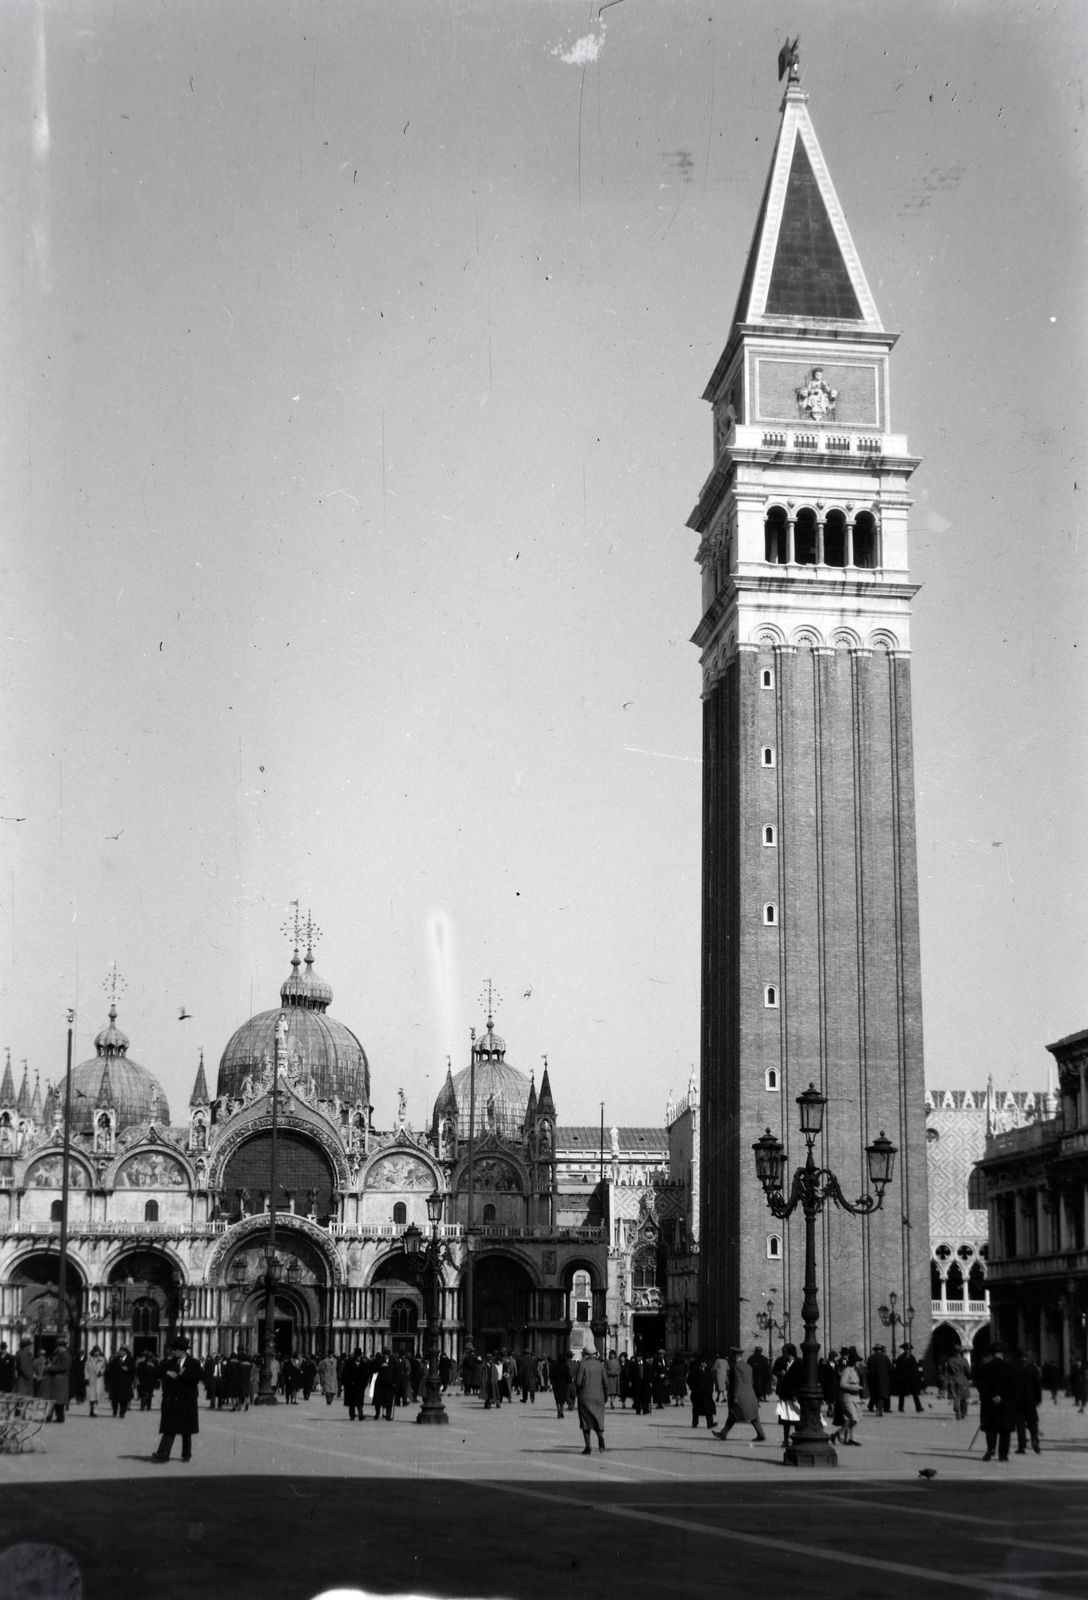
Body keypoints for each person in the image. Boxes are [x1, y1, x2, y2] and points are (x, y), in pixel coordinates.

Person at [151, 1334, 203, 1463]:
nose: (172, 1351)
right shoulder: (169, 1361)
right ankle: (164, 1453)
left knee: (187, 1430)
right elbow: (157, 1371)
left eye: (175, 1349)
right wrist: (167, 1372)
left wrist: (181, 1374)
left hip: (187, 1400)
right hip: (172, 1398)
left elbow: (200, 1376)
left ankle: (186, 1454)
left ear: (181, 1350)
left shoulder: (194, 1363)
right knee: (170, 1427)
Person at [714, 1348, 766, 1443]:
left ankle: (723, 1433)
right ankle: (761, 1434)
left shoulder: (736, 1366)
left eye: (731, 1355)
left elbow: (738, 1382)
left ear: (734, 1356)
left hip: (740, 1394)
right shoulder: (747, 1366)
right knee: (753, 1415)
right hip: (750, 1393)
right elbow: (751, 1381)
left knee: (734, 1413)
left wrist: (735, 1396)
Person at [976, 1342, 1016, 1462]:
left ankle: (991, 1448)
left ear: (992, 1354)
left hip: (989, 1402)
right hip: (1005, 1403)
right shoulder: (1010, 1367)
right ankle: (1003, 1455)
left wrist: (991, 1396)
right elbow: (1013, 1386)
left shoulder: (984, 1367)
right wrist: (1002, 1396)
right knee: (1005, 1430)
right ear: (1002, 1354)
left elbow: (980, 1385)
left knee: (990, 1428)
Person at [574, 1346, 607, 1454]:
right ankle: (600, 1438)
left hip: (585, 1396)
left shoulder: (583, 1363)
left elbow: (578, 1382)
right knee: (598, 1420)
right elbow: (606, 1383)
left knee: (585, 1421)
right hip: (599, 1397)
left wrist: (578, 1390)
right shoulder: (600, 1365)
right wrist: (605, 1396)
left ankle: (588, 1446)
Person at [1011, 1348, 1043, 1455]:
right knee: (1032, 1421)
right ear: (1025, 1356)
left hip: (1017, 1400)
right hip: (1030, 1399)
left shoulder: (1012, 1366)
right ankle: (1034, 1440)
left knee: (1020, 1423)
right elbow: (1037, 1385)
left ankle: (1021, 1446)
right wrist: (1038, 1399)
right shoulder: (1032, 1367)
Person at [774, 1343, 802, 1449]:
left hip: (794, 1395)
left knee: (796, 1419)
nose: (782, 1354)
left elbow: (801, 1379)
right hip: (785, 1395)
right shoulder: (783, 1362)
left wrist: (797, 1394)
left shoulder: (799, 1363)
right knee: (785, 1419)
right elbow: (775, 1371)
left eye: (784, 1352)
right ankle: (785, 1440)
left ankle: (796, 1439)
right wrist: (780, 1374)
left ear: (790, 1353)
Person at [837, 1346, 864, 1446]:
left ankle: (852, 1438)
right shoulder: (846, 1370)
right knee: (853, 1418)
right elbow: (842, 1384)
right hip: (846, 1397)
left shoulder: (855, 1371)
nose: (859, 1363)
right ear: (853, 1361)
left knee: (855, 1418)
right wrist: (854, 1388)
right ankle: (839, 1432)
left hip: (855, 1398)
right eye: (858, 1361)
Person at [42, 1336, 72, 1424]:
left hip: (60, 1380)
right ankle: (60, 1417)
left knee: (53, 1400)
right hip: (59, 1380)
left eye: (58, 1346)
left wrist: (51, 1367)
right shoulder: (63, 1354)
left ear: (61, 1346)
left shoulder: (65, 1354)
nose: (57, 1348)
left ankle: (49, 1417)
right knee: (57, 1400)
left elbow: (64, 1367)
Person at [106, 1345, 136, 1418]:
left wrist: (127, 1369)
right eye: (120, 1350)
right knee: (114, 1400)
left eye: (121, 1351)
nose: (119, 1352)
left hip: (125, 1383)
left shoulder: (130, 1360)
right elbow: (110, 1370)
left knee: (124, 1399)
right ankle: (115, 1411)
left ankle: (122, 1412)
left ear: (125, 1352)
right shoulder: (115, 1359)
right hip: (115, 1383)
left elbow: (134, 1370)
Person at [688, 1354, 716, 1430]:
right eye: (702, 1362)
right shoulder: (694, 1370)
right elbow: (690, 1381)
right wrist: (695, 1389)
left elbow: (711, 1380)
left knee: (708, 1408)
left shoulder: (707, 1370)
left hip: (706, 1392)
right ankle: (695, 1422)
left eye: (705, 1362)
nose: (704, 1363)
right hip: (698, 1393)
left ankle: (710, 1423)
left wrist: (711, 1390)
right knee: (696, 1408)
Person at [894, 1344, 924, 1413]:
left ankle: (918, 1407)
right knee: (901, 1393)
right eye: (906, 1349)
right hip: (903, 1378)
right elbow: (897, 1369)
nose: (908, 1351)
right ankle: (900, 1407)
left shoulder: (912, 1358)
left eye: (909, 1349)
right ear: (904, 1350)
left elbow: (915, 1368)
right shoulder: (900, 1358)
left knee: (915, 1393)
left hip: (911, 1379)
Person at [946, 1345, 971, 1420]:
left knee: (955, 1396)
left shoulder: (950, 1360)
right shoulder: (964, 1360)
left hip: (953, 1378)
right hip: (962, 1378)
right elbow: (969, 1371)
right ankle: (963, 1412)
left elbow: (947, 1371)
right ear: (960, 1352)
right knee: (963, 1396)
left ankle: (957, 1411)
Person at [866, 1344, 893, 1415]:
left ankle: (875, 1407)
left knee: (875, 1394)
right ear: (881, 1350)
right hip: (883, 1380)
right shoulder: (885, 1357)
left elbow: (867, 1368)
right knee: (882, 1395)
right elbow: (890, 1368)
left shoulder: (871, 1358)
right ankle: (879, 1409)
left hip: (873, 1380)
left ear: (875, 1350)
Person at [373, 1350, 397, 1420]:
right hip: (380, 1383)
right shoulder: (379, 1360)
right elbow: (374, 1369)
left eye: (387, 1354)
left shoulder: (393, 1361)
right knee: (378, 1401)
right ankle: (377, 1413)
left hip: (390, 1384)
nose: (385, 1356)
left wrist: (395, 1382)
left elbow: (396, 1372)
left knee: (389, 1401)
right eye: (384, 1354)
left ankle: (388, 1416)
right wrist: (381, 1366)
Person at [84, 1346, 106, 1418]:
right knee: (91, 1396)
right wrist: (86, 1378)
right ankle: (92, 1408)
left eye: (98, 1351)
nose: (97, 1353)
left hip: (99, 1379)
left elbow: (104, 1367)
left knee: (98, 1395)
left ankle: (95, 1410)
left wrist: (101, 1372)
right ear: (93, 1352)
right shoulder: (89, 1359)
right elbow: (86, 1369)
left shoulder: (102, 1359)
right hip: (91, 1378)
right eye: (95, 1351)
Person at [549, 1352, 571, 1418]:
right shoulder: (566, 1366)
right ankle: (562, 1410)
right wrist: (570, 1380)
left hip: (556, 1384)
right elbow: (568, 1376)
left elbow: (550, 1375)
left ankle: (558, 1410)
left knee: (557, 1398)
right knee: (562, 1399)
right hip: (564, 1385)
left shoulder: (554, 1366)